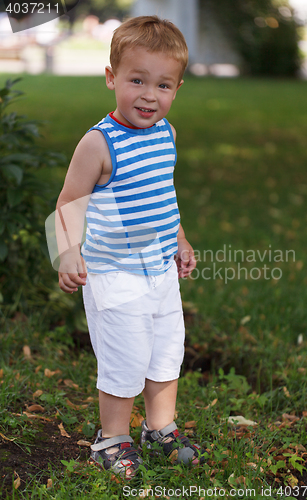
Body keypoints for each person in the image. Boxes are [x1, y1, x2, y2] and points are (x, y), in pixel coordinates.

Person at [56, 15, 208, 479]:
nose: (149, 95)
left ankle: (159, 428)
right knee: (124, 355)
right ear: (111, 78)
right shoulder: (98, 143)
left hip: (160, 271)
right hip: (115, 274)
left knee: (166, 349)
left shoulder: (167, 134)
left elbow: (165, 196)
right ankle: (112, 440)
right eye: (136, 80)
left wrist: (179, 240)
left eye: (162, 85)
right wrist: (67, 252)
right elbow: (67, 203)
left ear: (177, 89)